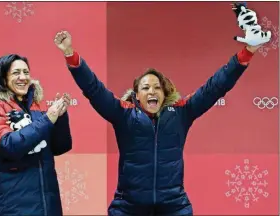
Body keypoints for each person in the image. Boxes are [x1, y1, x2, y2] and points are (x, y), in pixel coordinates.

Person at [54, 4, 270, 216]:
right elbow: (93, 89)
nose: (152, 92)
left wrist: (247, 52)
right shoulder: (123, 114)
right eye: (145, 88)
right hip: (129, 205)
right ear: (136, 95)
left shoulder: (182, 112)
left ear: (164, 93)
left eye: (157, 87)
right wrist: (71, 55)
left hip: (174, 204)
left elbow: (216, 86)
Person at [0, 54, 72, 216]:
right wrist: (48, 119)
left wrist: (60, 117)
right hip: (12, 209)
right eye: (16, 73)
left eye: (26, 72)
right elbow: (9, 146)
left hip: (48, 209)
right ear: (2, 77)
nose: (23, 77)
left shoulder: (35, 110)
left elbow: (61, 146)